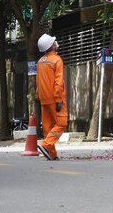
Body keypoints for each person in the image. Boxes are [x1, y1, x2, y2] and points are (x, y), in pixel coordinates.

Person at [36, 33, 67, 161]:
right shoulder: (56, 60)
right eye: (54, 42)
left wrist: (39, 97)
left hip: (43, 99)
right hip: (55, 99)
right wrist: (58, 99)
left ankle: (52, 154)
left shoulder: (40, 62)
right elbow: (58, 81)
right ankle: (46, 144)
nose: (56, 43)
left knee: (48, 127)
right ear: (51, 46)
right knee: (61, 123)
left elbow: (38, 81)